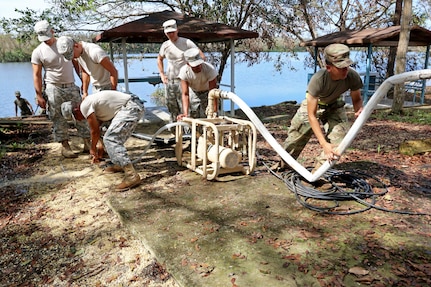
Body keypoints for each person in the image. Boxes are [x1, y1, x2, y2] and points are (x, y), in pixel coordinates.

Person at [280, 43, 363, 171]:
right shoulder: (318, 80)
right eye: (341, 67)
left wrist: (359, 110)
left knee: (339, 141)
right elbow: (311, 115)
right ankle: (284, 166)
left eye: (347, 65)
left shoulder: (352, 76)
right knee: (294, 139)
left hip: (334, 105)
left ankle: (318, 174)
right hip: (314, 106)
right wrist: (323, 144)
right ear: (329, 68)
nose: (345, 70)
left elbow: (356, 99)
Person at [62, 90, 145, 191]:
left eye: (75, 117)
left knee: (111, 138)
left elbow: (94, 131)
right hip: (130, 106)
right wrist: (100, 147)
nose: (79, 120)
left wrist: (92, 149)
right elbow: (99, 128)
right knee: (106, 133)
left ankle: (132, 176)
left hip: (131, 107)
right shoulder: (89, 104)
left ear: (76, 110)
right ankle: (118, 163)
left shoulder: (84, 106)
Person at [31, 20, 90, 159]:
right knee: (58, 117)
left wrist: (83, 82)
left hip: (70, 85)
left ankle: (87, 141)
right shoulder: (38, 52)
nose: (46, 40)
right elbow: (37, 75)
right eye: (42, 38)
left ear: (52, 31)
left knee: (80, 113)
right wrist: (39, 95)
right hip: (53, 87)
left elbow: (76, 63)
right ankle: (65, 146)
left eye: (47, 36)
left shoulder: (64, 43)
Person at [157, 19, 205, 123]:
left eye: (172, 32)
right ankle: (176, 132)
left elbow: (201, 56)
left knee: (189, 106)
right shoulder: (165, 45)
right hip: (170, 81)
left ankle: (190, 130)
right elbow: (159, 59)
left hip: (185, 80)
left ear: (177, 31)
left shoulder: (186, 42)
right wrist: (162, 74)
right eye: (168, 33)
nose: (171, 35)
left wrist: (192, 68)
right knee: (172, 106)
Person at [177, 48, 218, 120]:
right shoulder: (184, 72)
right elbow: (185, 94)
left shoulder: (209, 69)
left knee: (210, 114)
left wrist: (215, 111)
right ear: (188, 64)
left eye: (199, 64)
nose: (198, 67)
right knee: (192, 115)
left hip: (208, 92)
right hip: (193, 91)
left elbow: (213, 92)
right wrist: (185, 113)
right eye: (195, 66)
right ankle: (194, 130)